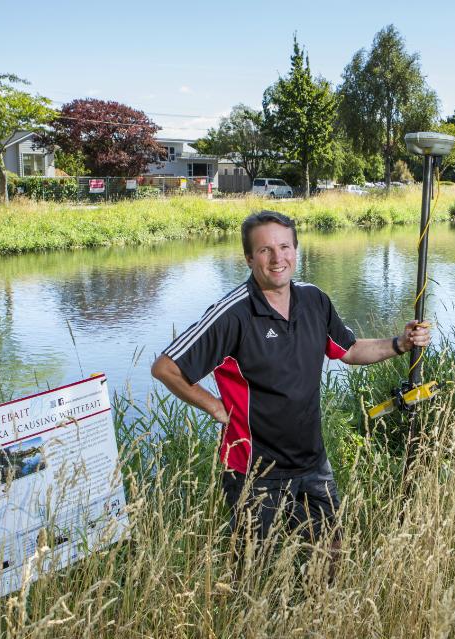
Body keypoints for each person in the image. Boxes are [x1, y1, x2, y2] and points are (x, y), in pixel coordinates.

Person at [150, 210, 430, 557]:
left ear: (296, 250)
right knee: (253, 568)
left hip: (312, 462)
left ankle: (323, 608)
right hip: (254, 472)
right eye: (265, 250)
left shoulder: (314, 300)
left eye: (285, 247)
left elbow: (350, 350)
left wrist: (399, 344)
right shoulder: (233, 314)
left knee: (331, 552)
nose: (277, 258)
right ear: (249, 257)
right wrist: (216, 407)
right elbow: (165, 368)